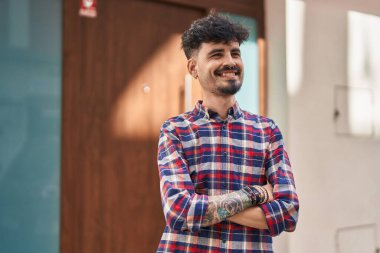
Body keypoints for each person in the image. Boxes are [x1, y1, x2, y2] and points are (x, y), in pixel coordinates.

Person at [156, 14, 299, 253]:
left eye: (235, 53)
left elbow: (289, 212)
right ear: (193, 68)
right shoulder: (175, 131)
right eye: (216, 54)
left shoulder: (267, 131)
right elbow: (179, 212)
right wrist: (256, 194)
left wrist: (204, 207)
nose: (230, 61)